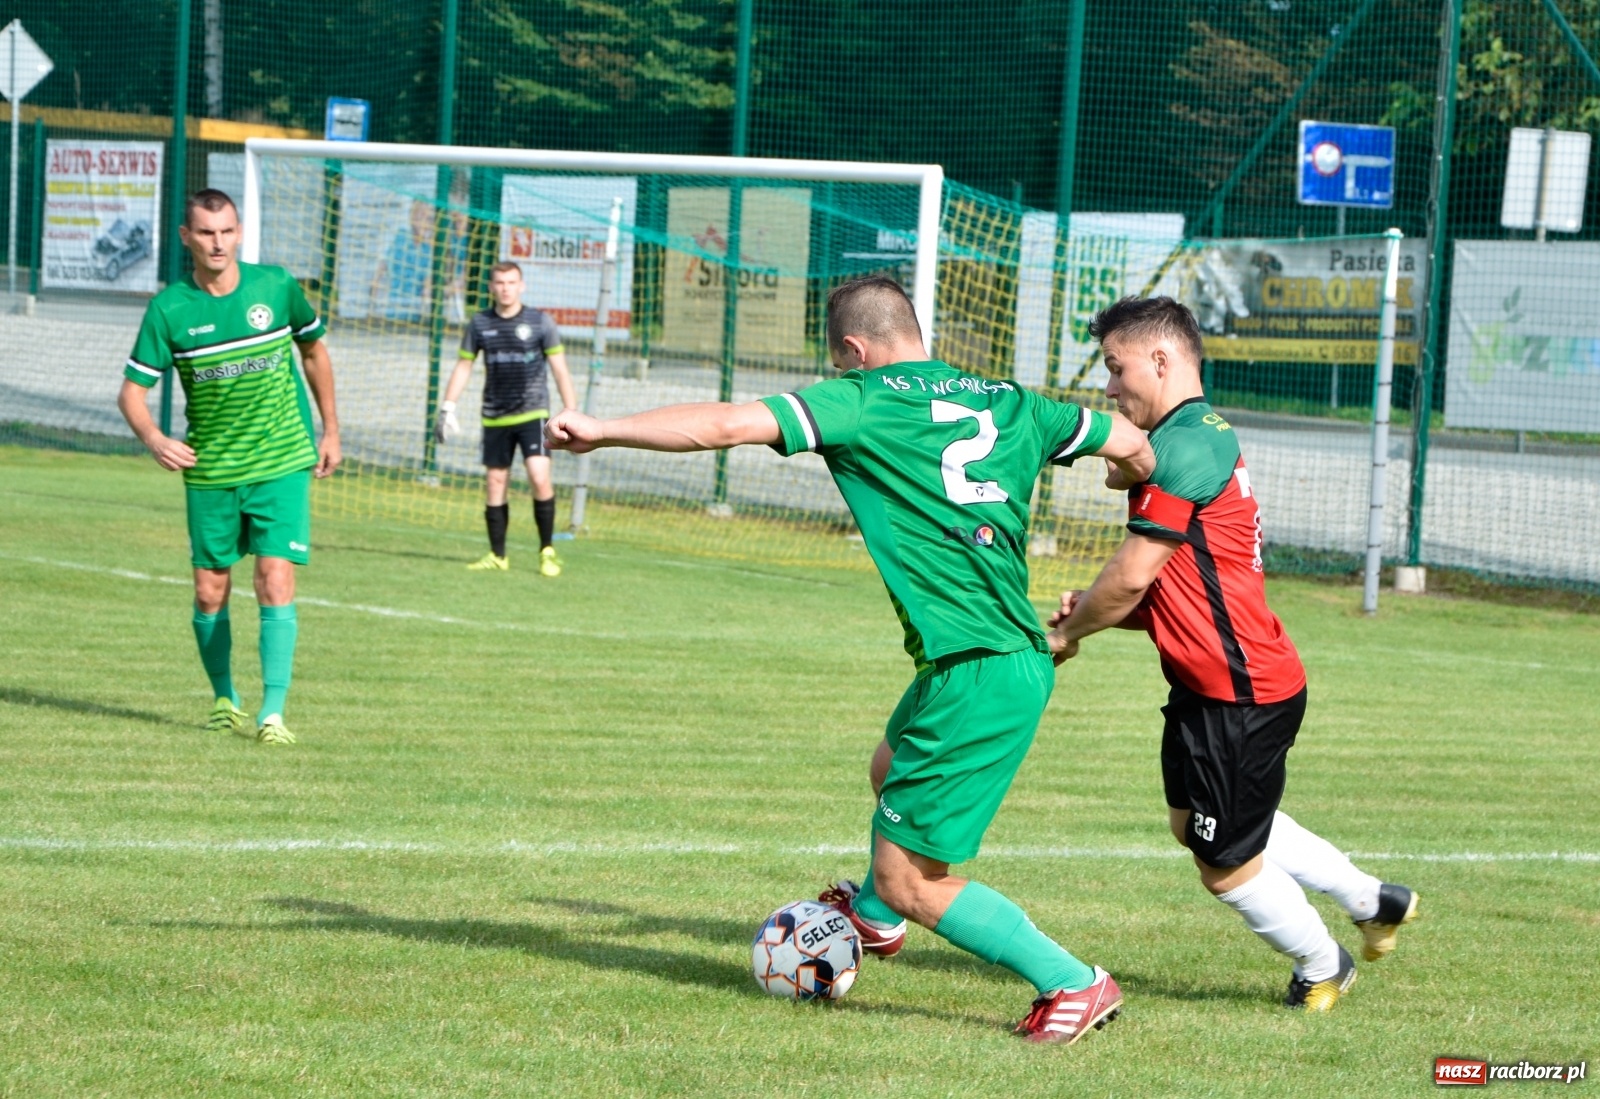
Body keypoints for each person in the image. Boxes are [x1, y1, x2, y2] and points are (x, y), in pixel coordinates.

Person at [547, 275, 1154, 1044]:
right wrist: (1127, 474)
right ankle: (872, 919)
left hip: (983, 667)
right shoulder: (1014, 402)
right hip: (974, 659)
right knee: (888, 763)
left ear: (853, 350)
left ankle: (1072, 980)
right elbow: (1132, 442)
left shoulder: (863, 397)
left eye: (838, 363)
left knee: (913, 877)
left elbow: (725, 424)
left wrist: (603, 429)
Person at [1047, 296, 1418, 1011]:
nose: (1109, 385)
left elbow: (1130, 575)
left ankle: (1324, 963)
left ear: (1162, 361)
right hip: (1211, 683)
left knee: (1223, 861)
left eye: (1116, 367)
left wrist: (1069, 633)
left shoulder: (1190, 441)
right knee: (1202, 825)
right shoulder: (1194, 435)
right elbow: (1178, 590)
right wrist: (1099, 615)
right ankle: (1375, 900)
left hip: (1240, 692)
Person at [118, 188, 341, 745]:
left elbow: (314, 352)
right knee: (209, 591)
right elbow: (131, 394)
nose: (218, 243)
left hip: (282, 459)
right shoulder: (170, 309)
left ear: (238, 233)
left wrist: (331, 429)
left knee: (274, 578)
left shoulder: (276, 287)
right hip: (212, 470)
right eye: (206, 232)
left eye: (226, 231)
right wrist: (153, 437)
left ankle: (273, 713)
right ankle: (225, 696)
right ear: (186, 237)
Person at [435, 261, 577, 575]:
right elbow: (463, 366)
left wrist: (570, 412)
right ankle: (498, 555)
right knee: (495, 482)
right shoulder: (480, 324)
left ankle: (547, 551)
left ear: (521, 285)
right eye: (499, 282)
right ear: (491, 286)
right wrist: (447, 407)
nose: (505, 288)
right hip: (495, 416)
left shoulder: (541, 322)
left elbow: (560, 369)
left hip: (533, 412)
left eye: (511, 282)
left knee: (539, 476)